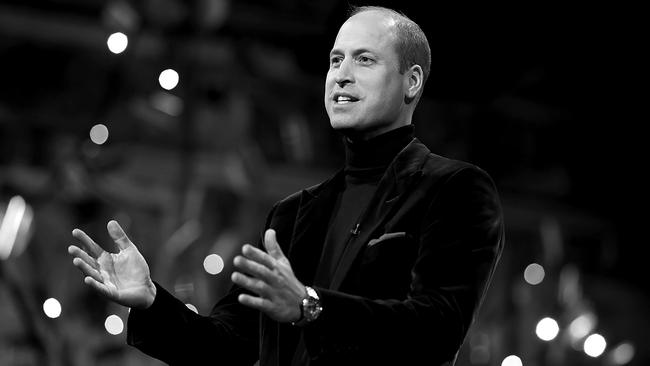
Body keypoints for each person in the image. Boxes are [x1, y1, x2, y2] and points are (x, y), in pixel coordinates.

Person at [68, 5, 504, 366]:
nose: (341, 75)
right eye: (336, 60)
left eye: (364, 59)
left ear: (411, 81)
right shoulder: (293, 214)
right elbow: (229, 346)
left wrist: (310, 307)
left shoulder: (454, 188)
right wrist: (151, 302)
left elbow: (438, 328)